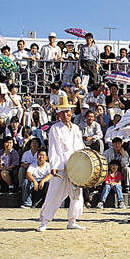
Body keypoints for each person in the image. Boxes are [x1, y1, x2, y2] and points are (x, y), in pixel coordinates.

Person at [37, 96, 86, 231]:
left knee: (76, 193)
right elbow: (53, 148)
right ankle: (44, 222)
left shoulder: (75, 128)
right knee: (54, 192)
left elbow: (80, 146)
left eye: (68, 111)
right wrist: (54, 166)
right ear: (59, 114)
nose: (66, 114)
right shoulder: (55, 129)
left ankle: (72, 220)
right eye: (63, 112)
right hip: (61, 165)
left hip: (75, 166)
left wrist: (83, 163)